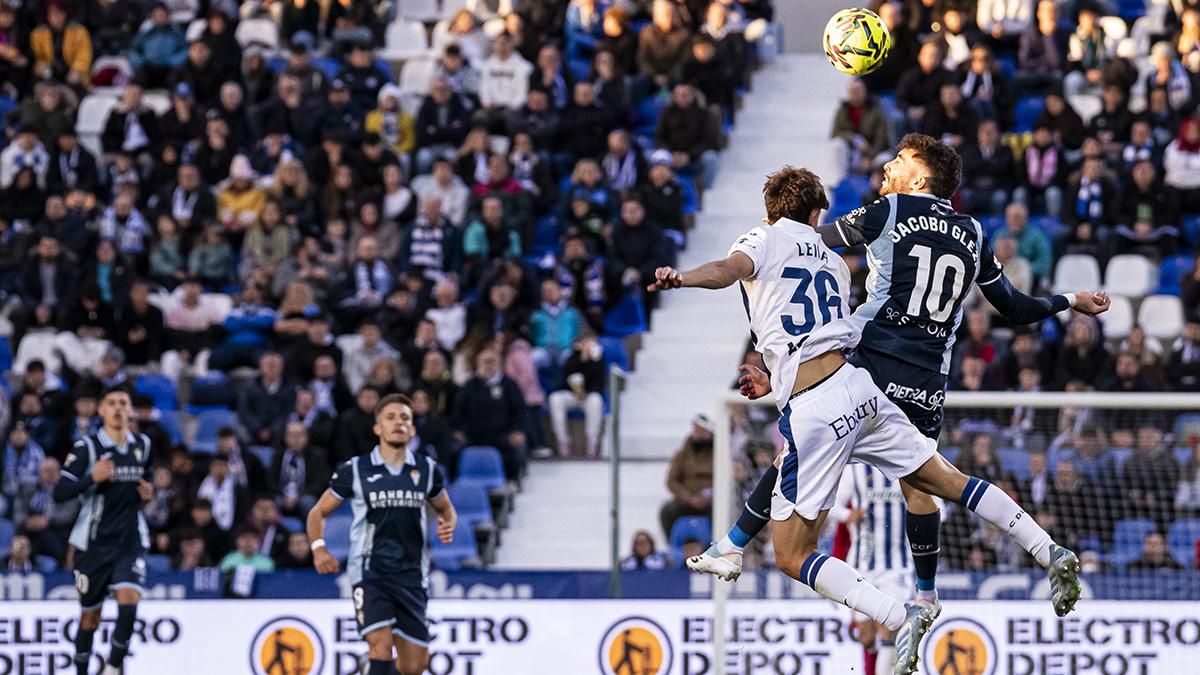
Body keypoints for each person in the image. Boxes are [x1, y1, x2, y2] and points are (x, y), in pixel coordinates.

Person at [648, 163, 1100, 672]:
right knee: (944, 480)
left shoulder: (764, 237)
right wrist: (775, 379)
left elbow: (729, 270)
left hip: (819, 409)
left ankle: (895, 613)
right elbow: (825, 337)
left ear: (771, 211)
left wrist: (681, 278)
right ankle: (1047, 548)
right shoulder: (837, 264)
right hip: (863, 388)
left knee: (792, 555)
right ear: (817, 211)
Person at [307, 394, 457, 675]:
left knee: (414, 665)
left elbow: (446, 508)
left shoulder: (426, 469)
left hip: (412, 573)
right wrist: (318, 548)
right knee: (381, 646)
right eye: (391, 417)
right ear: (377, 428)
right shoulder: (356, 469)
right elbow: (317, 513)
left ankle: (371, 669)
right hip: (369, 569)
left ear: (412, 429)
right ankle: (374, 665)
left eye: (405, 418)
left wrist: (448, 523)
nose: (398, 423)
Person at [53, 386, 153, 675]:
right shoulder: (88, 447)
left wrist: (146, 495)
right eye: (112, 403)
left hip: (130, 539)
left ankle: (112, 667)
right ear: (101, 410)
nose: (119, 408)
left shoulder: (143, 445)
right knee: (89, 619)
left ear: (131, 410)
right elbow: (60, 492)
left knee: (129, 603)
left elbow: (143, 481)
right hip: (93, 543)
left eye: (124, 403)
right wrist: (91, 478)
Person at [659, 415, 715, 539]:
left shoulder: (719, 452)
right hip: (688, 500)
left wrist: (709, 496)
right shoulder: (682, 454)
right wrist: (690, 498)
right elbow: (672, 481)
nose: (698, 435)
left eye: (702, 431)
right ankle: (674, 547)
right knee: (667, 511)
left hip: (713, 501)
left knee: (720, 513)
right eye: (696, 431)